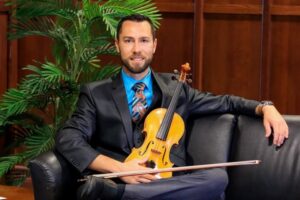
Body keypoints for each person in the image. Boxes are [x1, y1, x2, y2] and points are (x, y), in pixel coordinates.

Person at [55, 14, 289, 200]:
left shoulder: (176, 90)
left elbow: (226, 102)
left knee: (217, 178)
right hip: (117, 178)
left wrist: (265, 107)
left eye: (144, 40)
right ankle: (118, 190)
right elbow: (68, 137)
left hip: (164, 181)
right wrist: (120, 168)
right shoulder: (96, 93)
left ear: (154, 45)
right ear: (117, 45)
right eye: (129, 40)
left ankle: (120, 196)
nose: (137, 49)